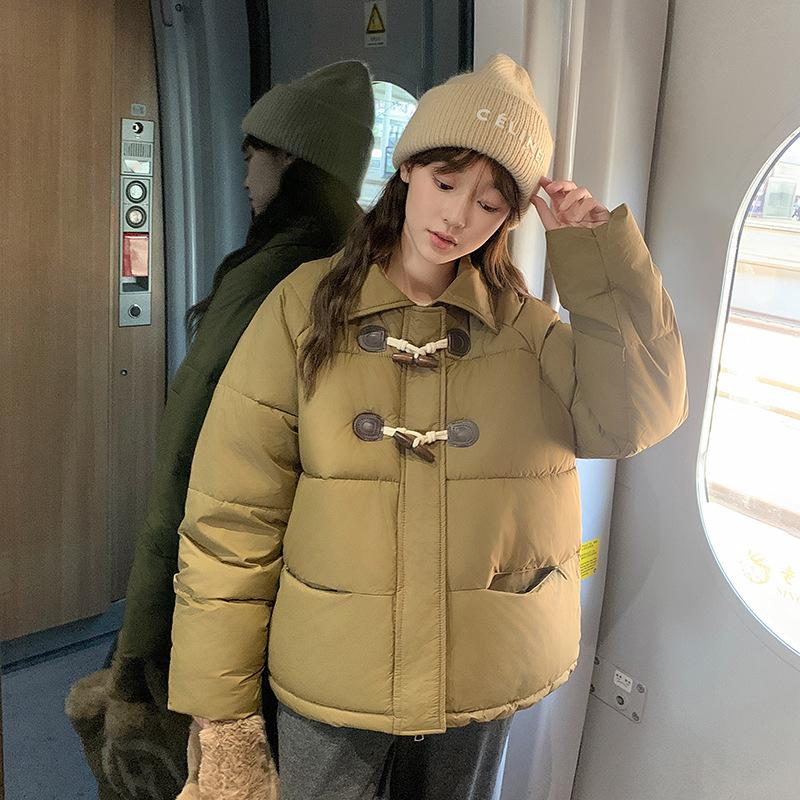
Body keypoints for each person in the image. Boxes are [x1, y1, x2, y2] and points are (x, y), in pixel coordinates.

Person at [167, 53, 689, 799]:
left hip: (476, 676)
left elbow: (637, 414)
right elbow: (231, 517)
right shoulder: (301, 307)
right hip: (332, 675)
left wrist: (598, 260)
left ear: (509, 217)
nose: (457, 218)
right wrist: (222, 716)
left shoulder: (525, 331)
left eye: (489, 204)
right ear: (407, 168)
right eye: (446, 183)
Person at [65, 59, 375, 800]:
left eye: (251, 154)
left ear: (289, 159)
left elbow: (188, 464)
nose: (242, 175)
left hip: (222, 581)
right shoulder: (361, 267)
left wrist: (141, 641)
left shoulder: (271, 278)